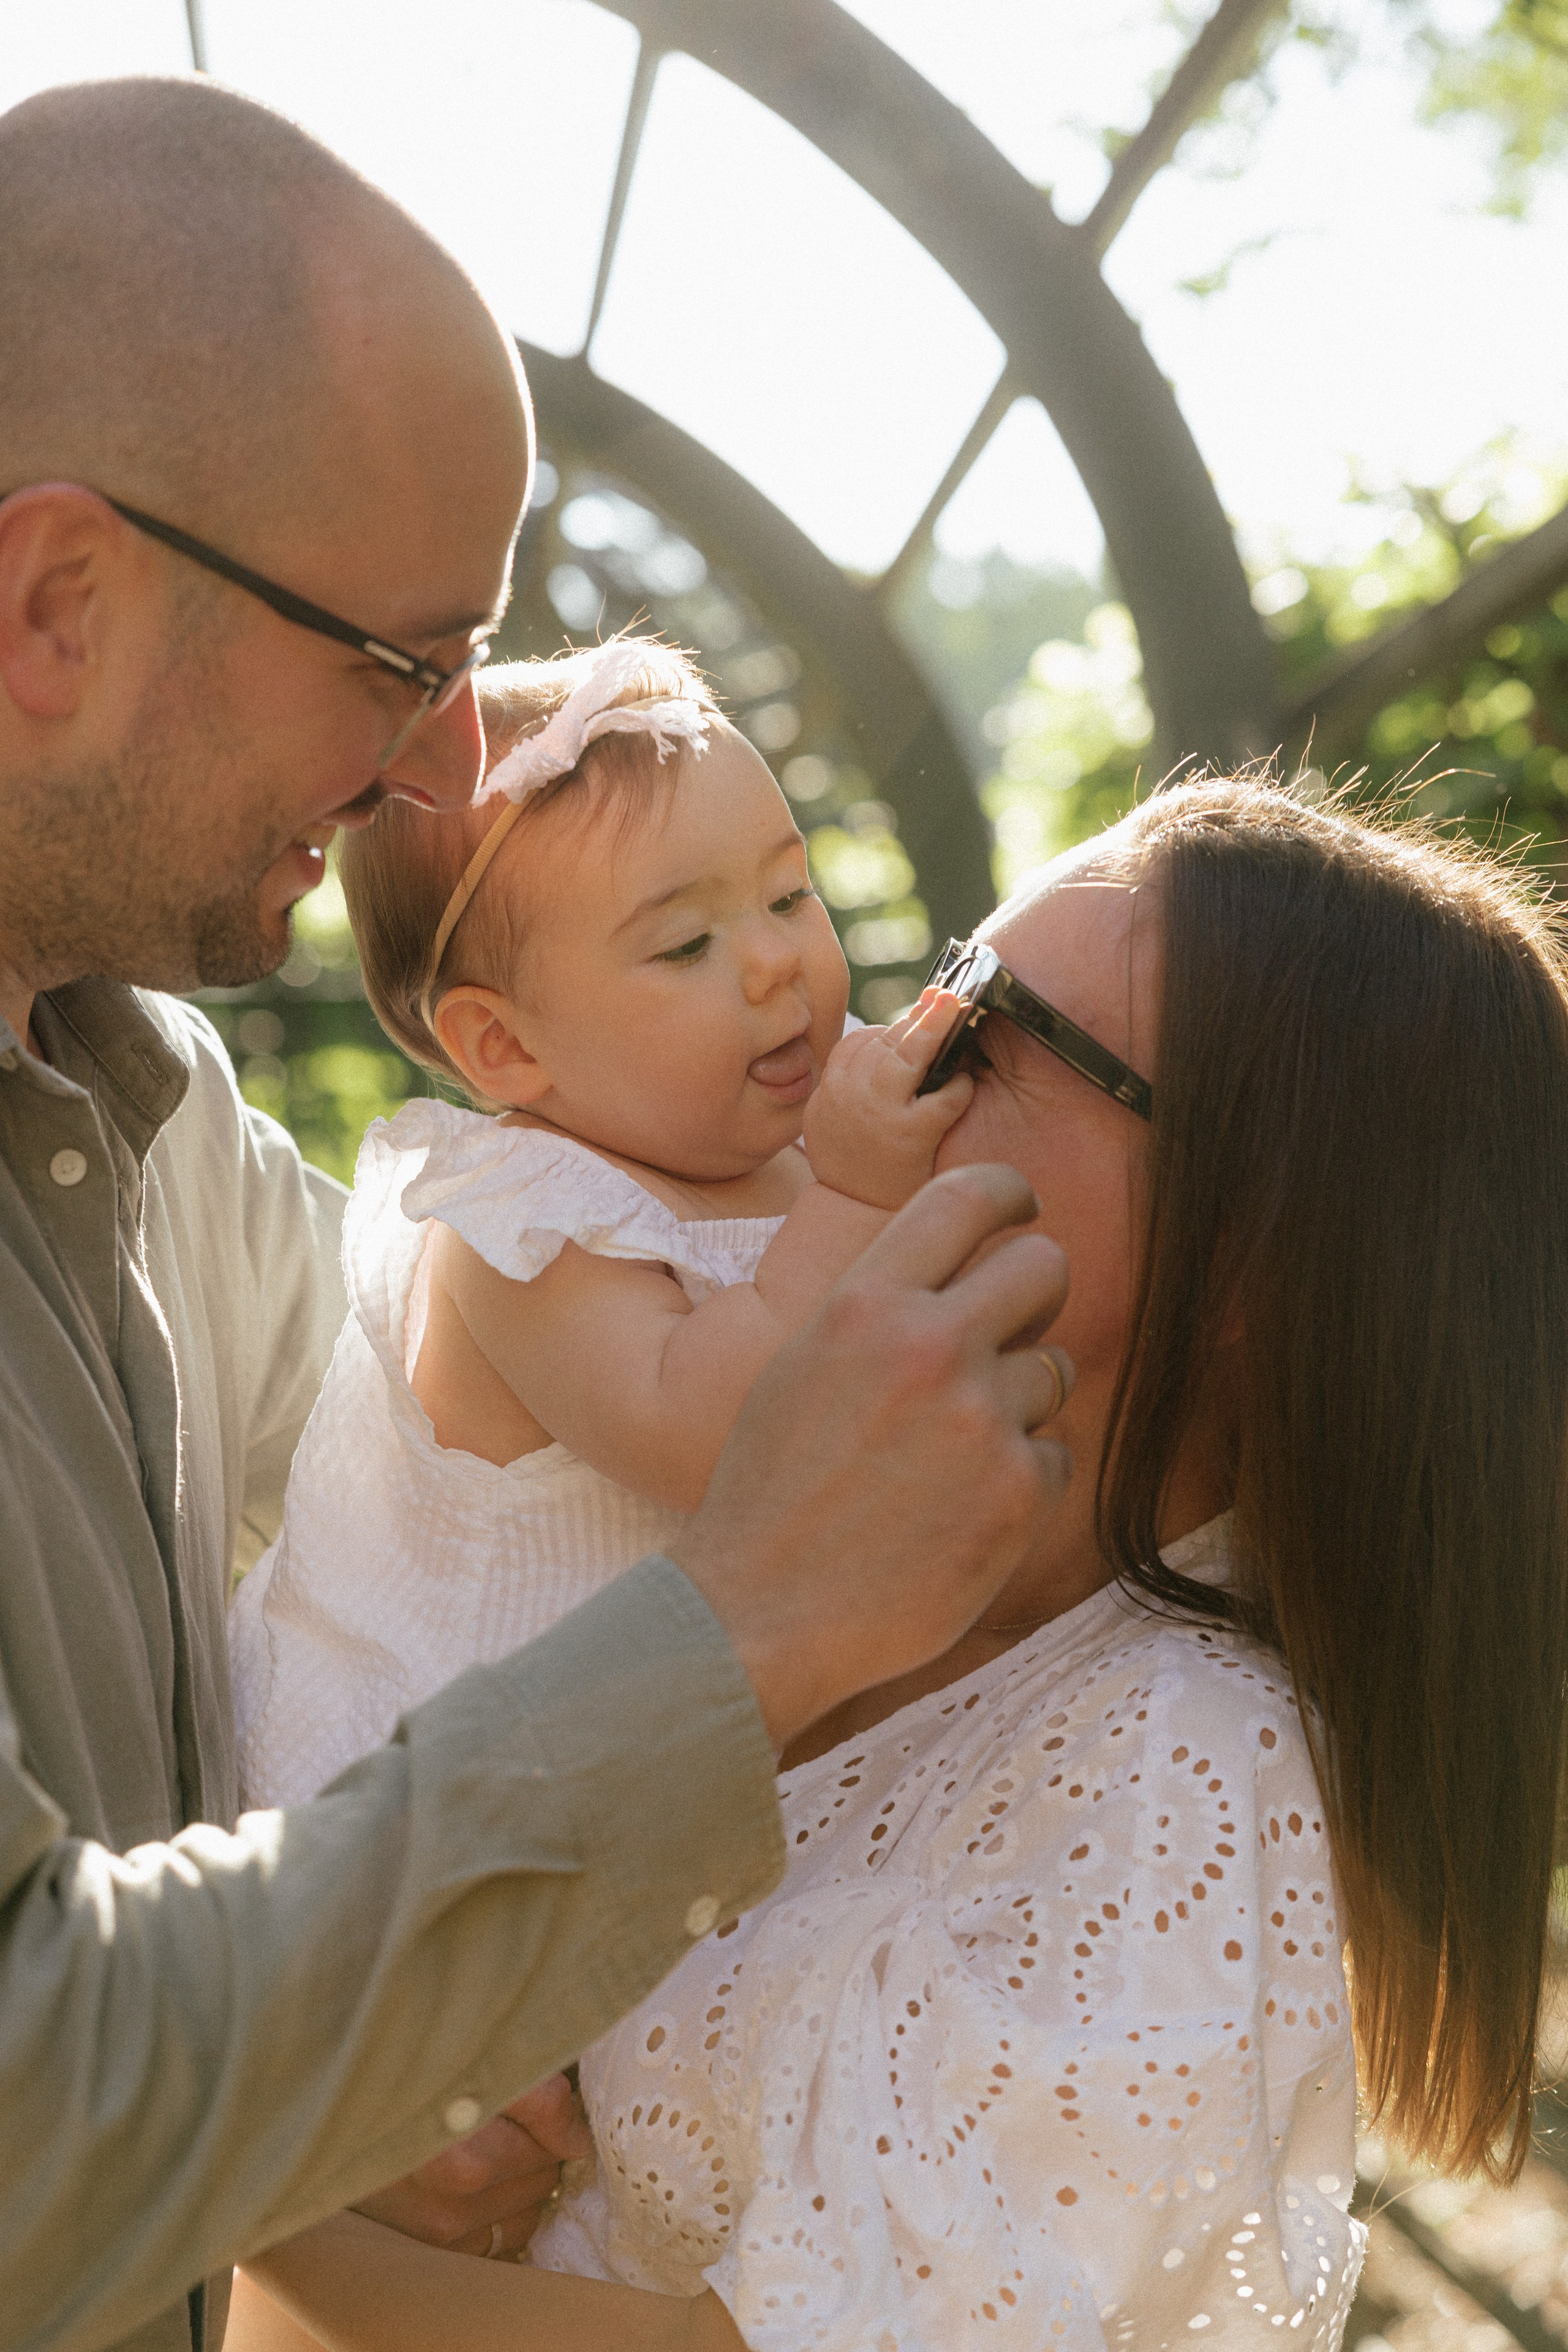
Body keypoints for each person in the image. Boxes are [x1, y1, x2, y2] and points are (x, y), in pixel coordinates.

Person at [0, 77, 1076, 2352]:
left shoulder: (142, 1110)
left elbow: (406, 1518)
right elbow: (34, 2102)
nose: (447, 772)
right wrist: (755, 1616)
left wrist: (348, 2043)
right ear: (52, 604)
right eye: (404, 657)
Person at [235, 780, 1568, 2351]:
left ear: (1246, 1252)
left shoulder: (1175, 1767)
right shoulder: (701, 1528)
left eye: (984, 1030)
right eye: (927, 982)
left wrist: (225, 2180)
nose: (872, 1052)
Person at [229, 636, 996, 1809]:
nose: (774, 962)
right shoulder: (528, 1222)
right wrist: (856, 1196)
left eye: (791, 892)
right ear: (507, 1046)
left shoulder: (805, 1128)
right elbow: (713, 1438)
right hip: (476, 1797)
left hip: (690, 1737)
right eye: (686, 944)